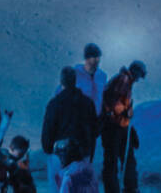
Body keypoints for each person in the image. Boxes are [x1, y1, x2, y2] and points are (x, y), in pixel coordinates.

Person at [42, 67, 98, 191]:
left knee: (57, 187)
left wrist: (48, 149)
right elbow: (95, 130)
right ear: (75, 81)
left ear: (61, 82)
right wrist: (89, 154)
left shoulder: (54, 103)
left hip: (59, 153)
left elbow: (47, 131)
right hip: (82, 154)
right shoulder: (88, 103)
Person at [101, 61, 146, 193]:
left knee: (125, 160)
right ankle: (123, 189)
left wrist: (129, 127)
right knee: (113, 162)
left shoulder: (125, 81)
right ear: (135, 71)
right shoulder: (123, 79)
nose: (138, 79)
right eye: (139, 75)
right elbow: (111, 99)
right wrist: (124, 111)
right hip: (113, 127)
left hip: (120, 126)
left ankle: (127, 188)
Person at [73, 44, 107, 115]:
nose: (97, 60)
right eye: (94, 56)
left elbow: (104, 97)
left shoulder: (102, 77)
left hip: (95, 119)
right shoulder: (75, 74)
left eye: (98, 56)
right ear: (87, 58)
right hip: (78, 118)